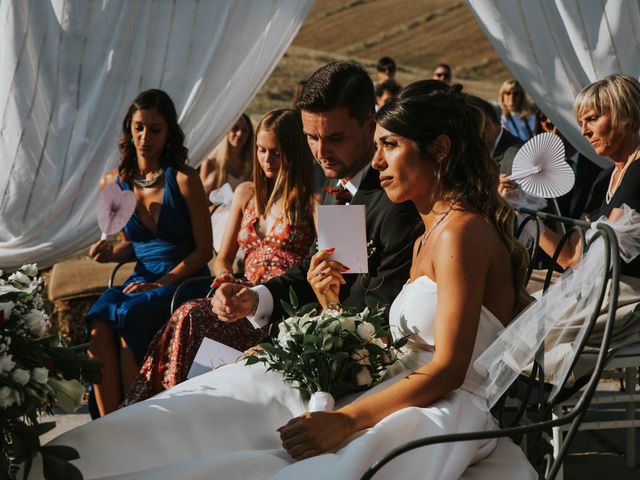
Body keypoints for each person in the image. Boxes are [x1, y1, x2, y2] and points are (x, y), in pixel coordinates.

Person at [44, 87, 536, 480]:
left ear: (440, 150)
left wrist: (345, 420)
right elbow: (377, 320)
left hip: (434, 407)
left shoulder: (463, 233)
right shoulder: (431, 227)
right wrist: (320, 311)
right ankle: (79, 458)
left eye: (389, 146)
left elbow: (449, 369)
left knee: (251, 444)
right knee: (221, 395)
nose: (379, 161)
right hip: (389, 379)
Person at [212, 61, 420, 335]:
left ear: (370, 126)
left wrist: (329, 309)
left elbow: (381, 318)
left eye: (335, 138)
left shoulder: (397, 202)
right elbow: (314, 268)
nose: (321, 152)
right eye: (311, 137)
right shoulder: (340, 181)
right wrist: (254, 298)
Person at [125, 109, 317, 403]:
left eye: (276, 152)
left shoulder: (312, 201)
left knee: (191, 315)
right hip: (241, 295)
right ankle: (160, 403)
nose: (266, 160)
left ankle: (170, 405)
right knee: (189, 315)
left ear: (294, 152)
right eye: (261, 151)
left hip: (282, 308)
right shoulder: (246, 193)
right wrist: (225, 282)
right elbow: (222, 258)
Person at [86, 89, 212, 417]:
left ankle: (134, 417)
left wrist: (161, 283)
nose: (145, 137)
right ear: (129, 128)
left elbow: (204, 251)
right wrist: (111, 254)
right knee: (99, 318)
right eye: (139, 127)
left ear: (169, 132)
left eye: (155, 129)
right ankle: (107, 421)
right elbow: (136, 244)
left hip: (186, 278)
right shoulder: (114, 183)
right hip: (143, 277)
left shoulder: (184, 179)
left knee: (131, 314)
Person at [539, 74, 640, 275]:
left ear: (624, 114)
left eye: (592, 119)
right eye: (581, 122)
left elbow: (595, 263)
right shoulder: (604, 179)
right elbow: (571, 258)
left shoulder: (637, 172)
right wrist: (519, 211)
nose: (585, 131)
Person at [199, 114, 254, 197]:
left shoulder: (252, 164)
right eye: (235, 128)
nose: (239, 133)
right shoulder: (210, 163)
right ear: (226, 131)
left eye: (245, 130)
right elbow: (201, 199)